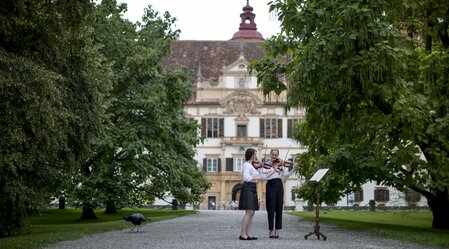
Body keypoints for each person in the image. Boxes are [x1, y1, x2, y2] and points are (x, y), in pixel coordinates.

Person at [239, 148, 279, 240]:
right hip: (248, 187)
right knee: (249, 212)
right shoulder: (246, 165)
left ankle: (248, 233)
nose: (256, 156)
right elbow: (247, 178)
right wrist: (258, 177)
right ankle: (242, 234)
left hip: (253, 188)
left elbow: (264, 177)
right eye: (255, 154)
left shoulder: (254, 166)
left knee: (252, 213)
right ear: (251, 155)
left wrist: (273, 171)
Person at [261, 148, 298, 239]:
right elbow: (264, 178)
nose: (274, 156)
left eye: (276, 155)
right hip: (270, 185)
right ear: (270, 154)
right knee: (271, 209)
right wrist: (273, 169)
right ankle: (271, 230)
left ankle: (277, 229)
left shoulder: (280, 165)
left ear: (278, 155)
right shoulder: (266, 165)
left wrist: (293, 169)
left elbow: (285, 176)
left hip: (279, 185)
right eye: (273, 154)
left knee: (279, 208)